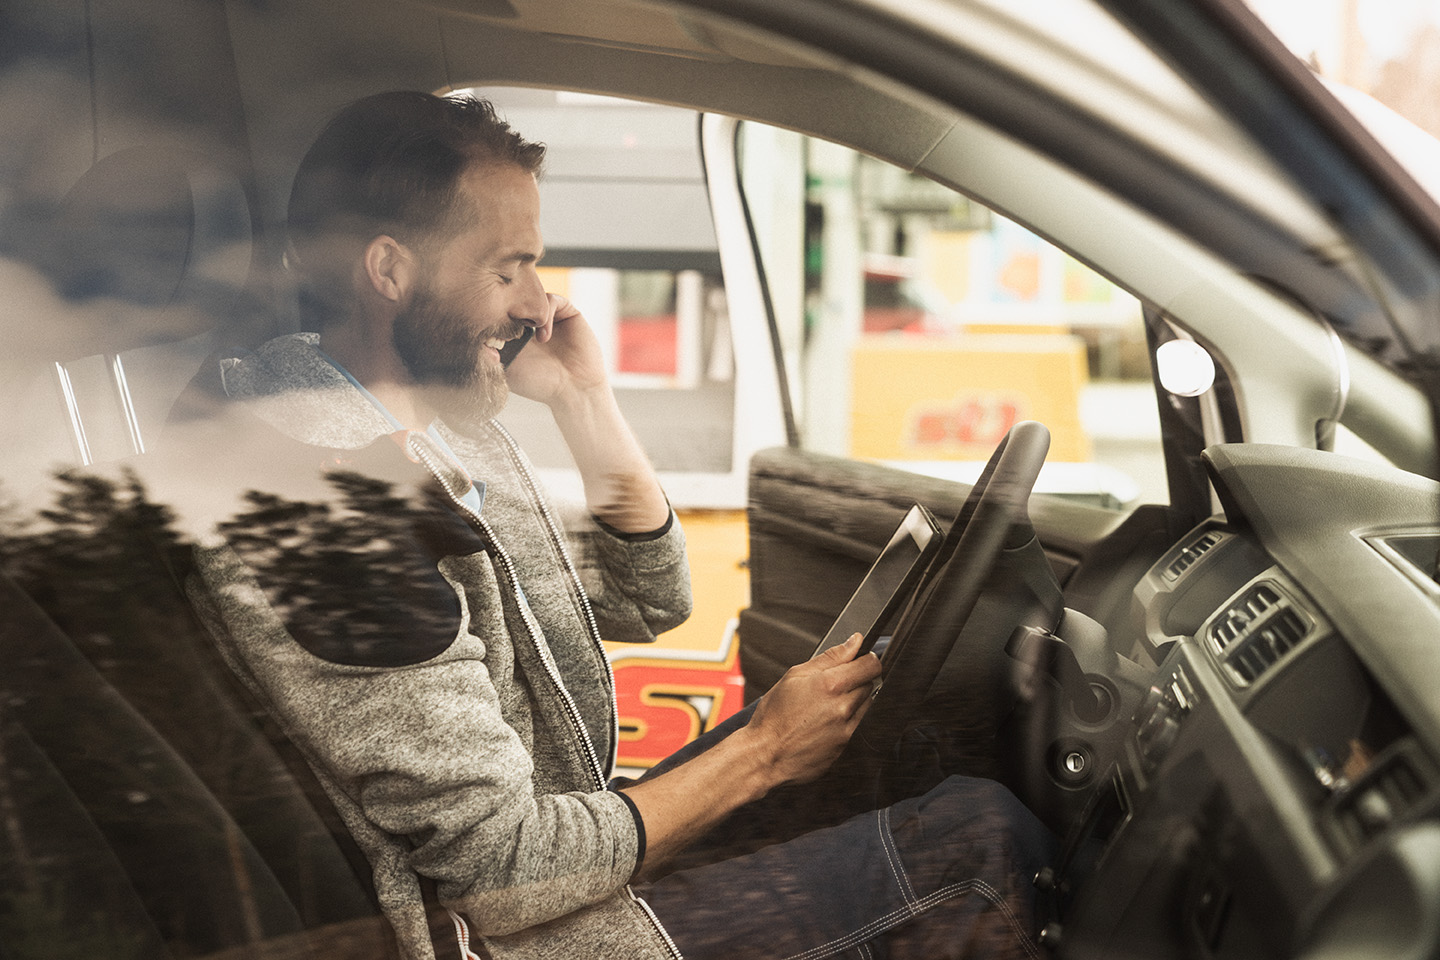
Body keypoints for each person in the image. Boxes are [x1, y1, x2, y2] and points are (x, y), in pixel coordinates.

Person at [186, 91, 1052, 960]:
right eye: (506, 269)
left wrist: (581, 399)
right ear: (389, 271)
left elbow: (647, 599)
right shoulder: (338, 514)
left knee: (898, 770)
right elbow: (502, 874)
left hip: (567, 873)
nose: (539, 304)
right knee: (976, 844)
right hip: (509, 938)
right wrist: (764, 751)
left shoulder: (437, 437)